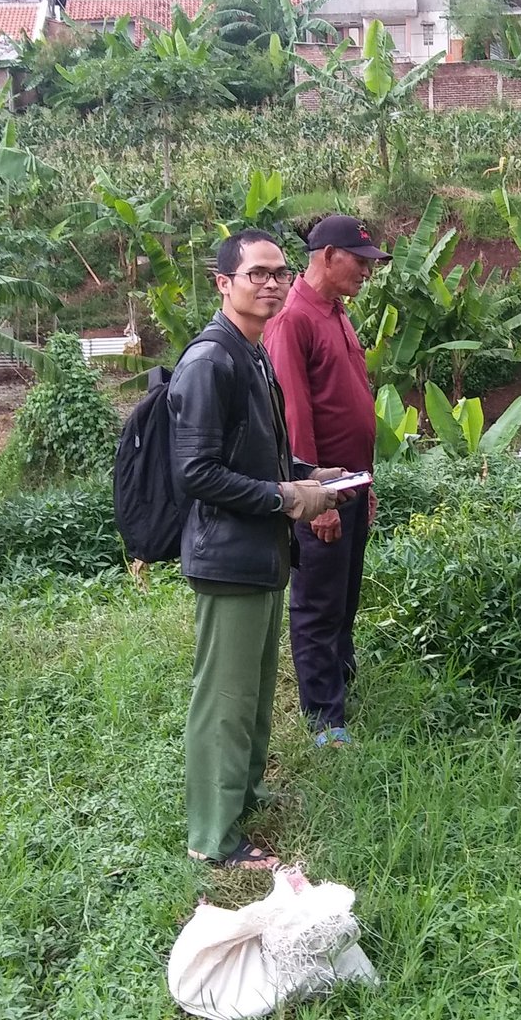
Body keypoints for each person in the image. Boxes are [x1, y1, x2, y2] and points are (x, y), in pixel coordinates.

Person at [169, 229, 346, 870]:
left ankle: (242, 794)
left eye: (278, 273)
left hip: (259, 552)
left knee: (252, 690)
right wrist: (285, 497)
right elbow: (195, 472)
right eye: (256, 274)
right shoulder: (209, 361)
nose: (271, 283)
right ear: (224, 283)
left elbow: (261, 452)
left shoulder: (252, 352)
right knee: (224, 697)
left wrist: (310, 475)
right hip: (228, 555)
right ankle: (213, 838)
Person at [264, 215, 390, 746]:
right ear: (329, 256)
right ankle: (324, 719)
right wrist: (321, 501)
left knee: (344, 597)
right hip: (321, 494)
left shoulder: (336, 313)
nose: (367, 270)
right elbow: (295, 420)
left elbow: (349, 406)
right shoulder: (293, 320)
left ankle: (341, 685)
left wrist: (366, 485)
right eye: (359, 261)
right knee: (317, 603)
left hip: (352, 485)